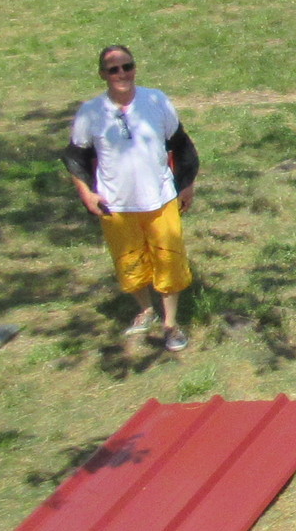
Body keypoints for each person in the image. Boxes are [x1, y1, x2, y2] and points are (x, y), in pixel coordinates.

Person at [65, 45, 198, 351]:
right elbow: (75, 156)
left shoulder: (156, 100)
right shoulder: (91, 112)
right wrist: (86, 193)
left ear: (135, 68)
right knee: (130, 263)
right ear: (103, 74)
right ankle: (146, 310)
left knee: (170, 260)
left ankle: (170, 324)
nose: (122, 73)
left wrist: (187, 184)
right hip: (116, 203)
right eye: (113, 69)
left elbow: (181, 144)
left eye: (127, 66)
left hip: (160, 198)